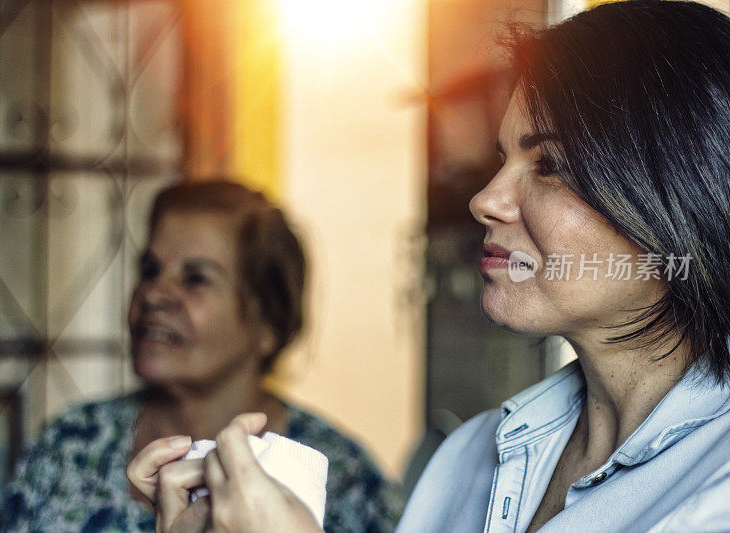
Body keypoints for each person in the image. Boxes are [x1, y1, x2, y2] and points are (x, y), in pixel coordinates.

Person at [127, 1, 730, 531]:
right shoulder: (469, 458)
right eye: (503, 159)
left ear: (679, 197)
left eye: (549, 165)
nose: (485, 200)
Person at [0, 180, 402, 532]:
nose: (154, 294)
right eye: (150, 270)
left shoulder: (344, 480)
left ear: (269, 325)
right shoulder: (70, 444)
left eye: (196, 279)